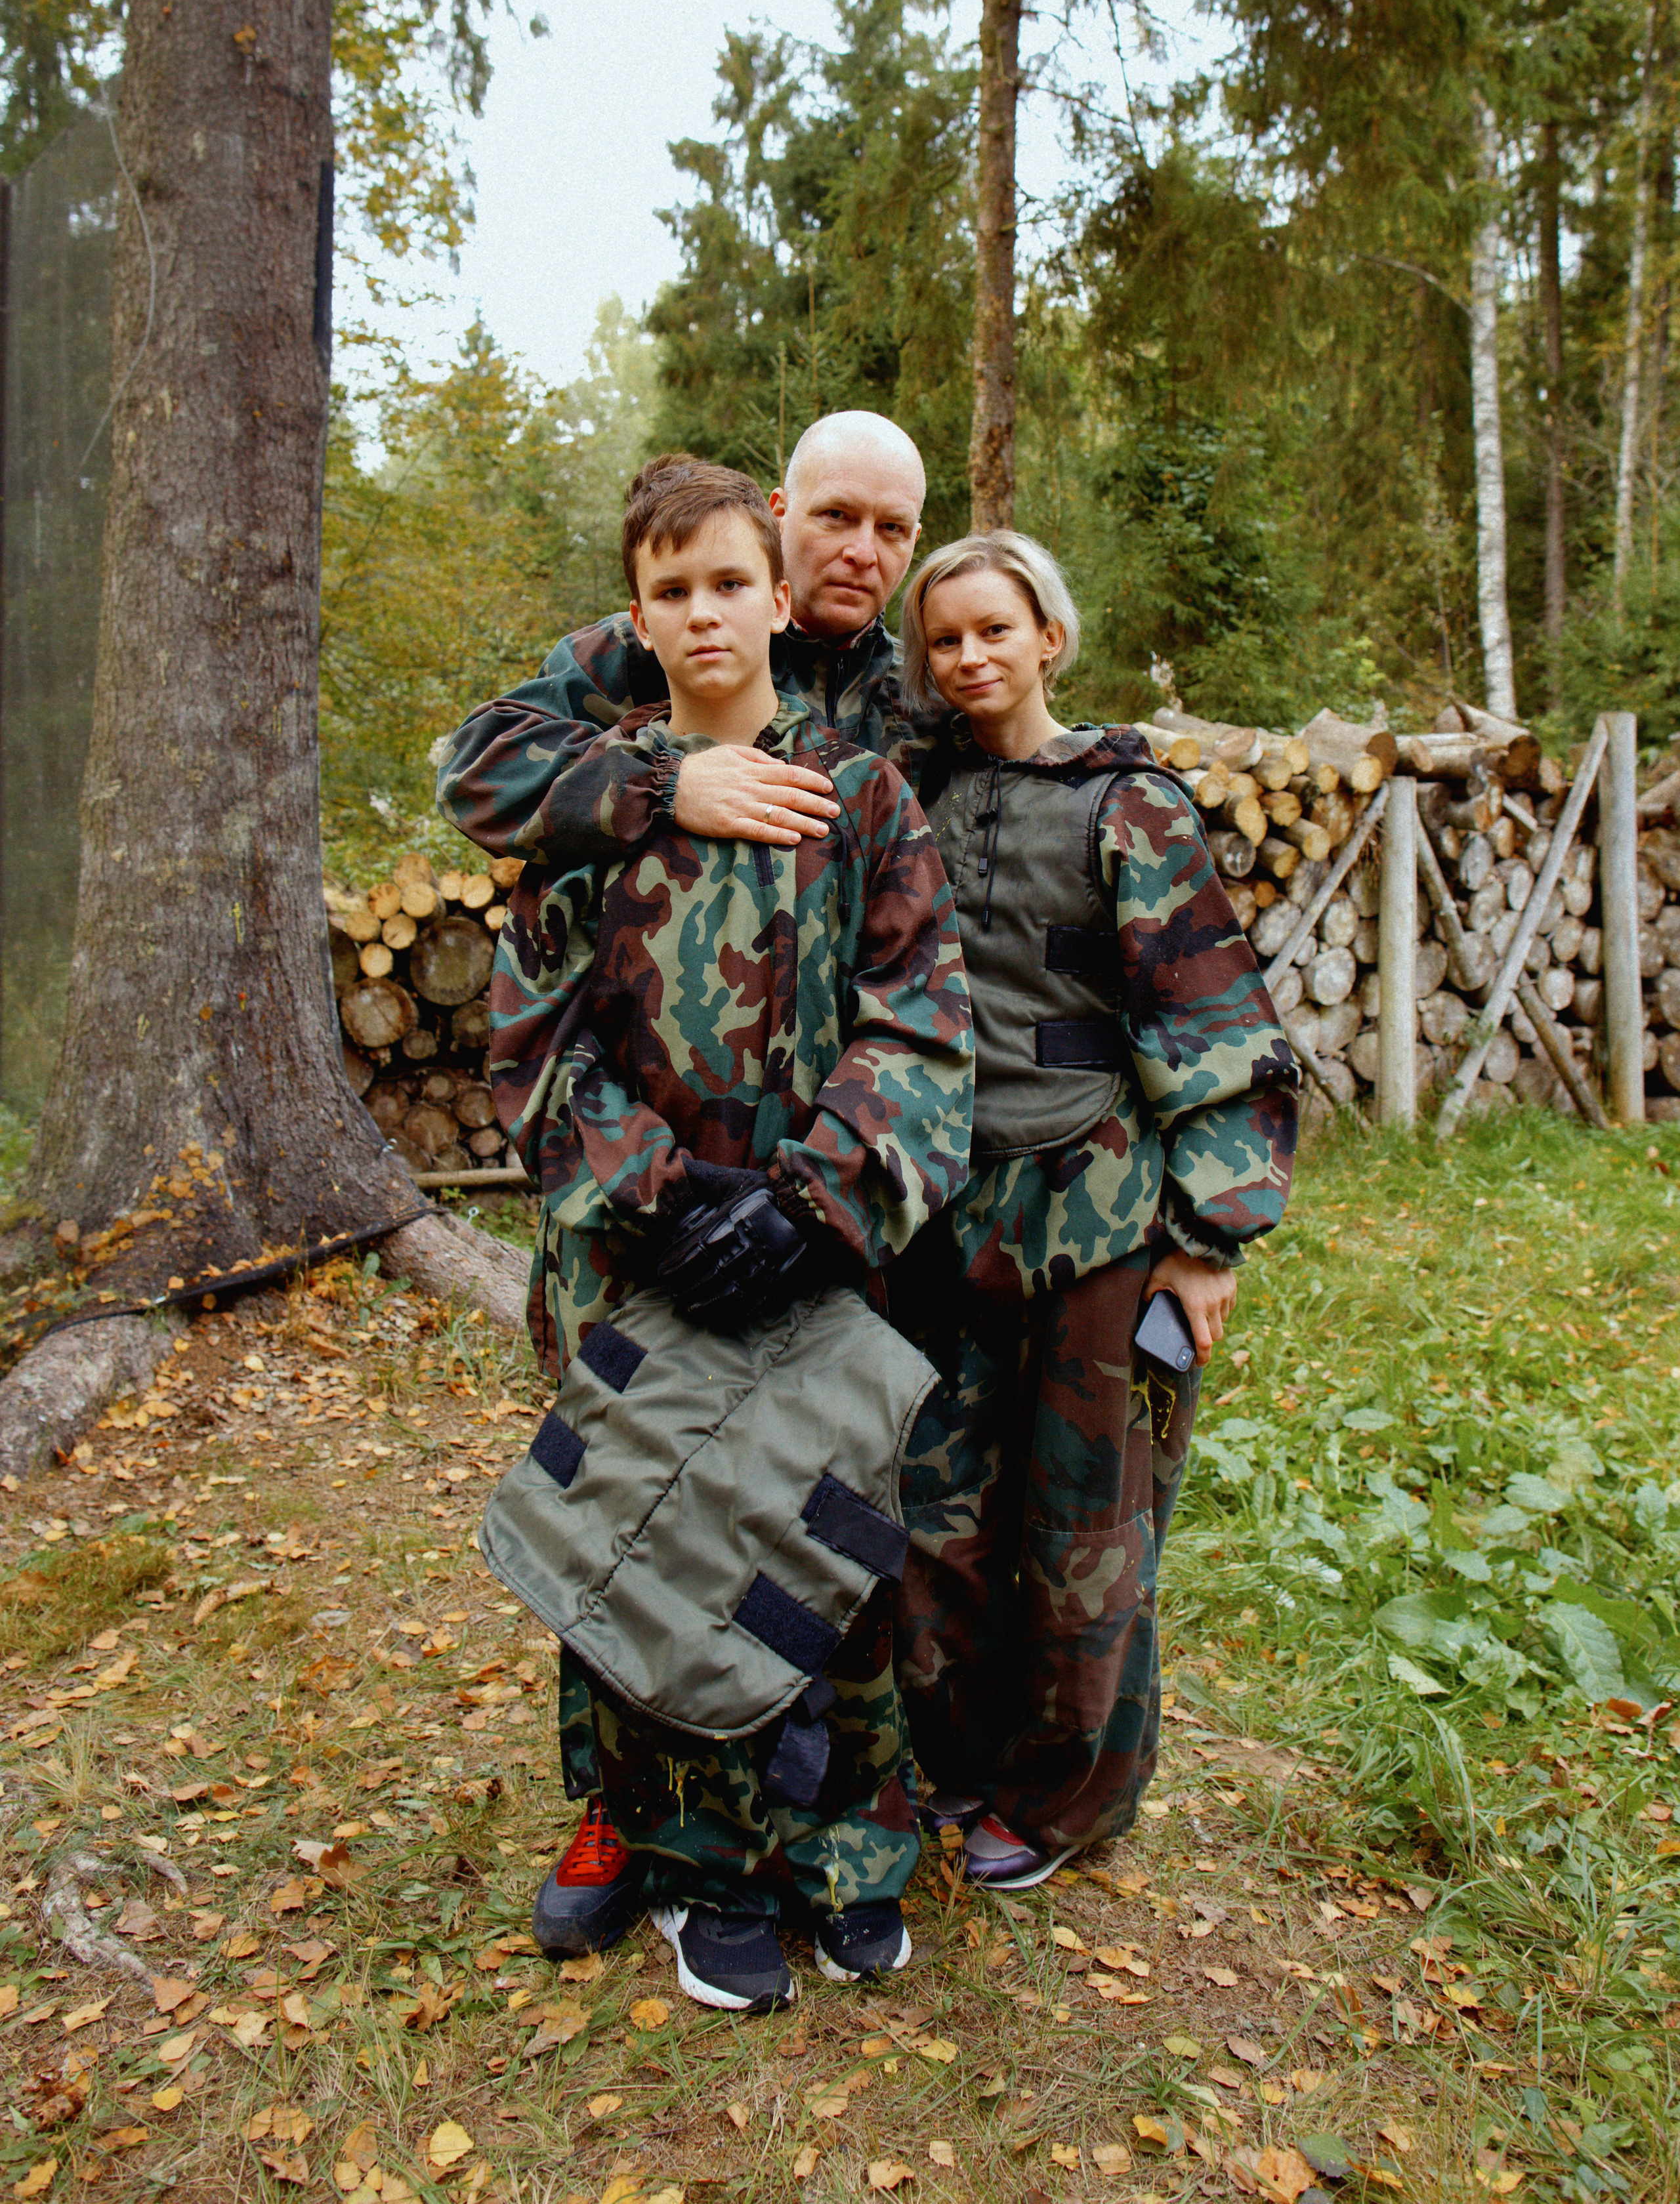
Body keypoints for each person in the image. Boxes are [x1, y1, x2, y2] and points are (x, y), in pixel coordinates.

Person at [472, 455, 973, 2012]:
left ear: (774, 597)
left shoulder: (863, 795)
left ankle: (844, 1848)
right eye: (671, 591)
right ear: (636, 614)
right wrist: (662, 1198)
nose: (704, 612)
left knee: (814, 1543)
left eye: (727, 584)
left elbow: (921, 1023)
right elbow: (529, 1044)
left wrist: (820, 1199)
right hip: (643, 1261)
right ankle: (687, 1861)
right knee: (654, 1541)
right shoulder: (594, 800)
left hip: (823, 1259)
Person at [886, 531, 1299, 1892]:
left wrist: (1205, 1240)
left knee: (1085, 1535)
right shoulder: (910, 796)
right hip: (945, 1215)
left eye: (993, 630)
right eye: (943, 639)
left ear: (1047, 637)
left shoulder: (1130, 806)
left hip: (1100, 1220)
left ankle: (1063, 1804)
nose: (969, 658)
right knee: (938, 1513)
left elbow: (1211, 1017)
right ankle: (951, 1762)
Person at [436, 409, 925, 865]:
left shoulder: (930, 690)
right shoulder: (650, 649)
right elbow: (476, 771)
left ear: (914, 540)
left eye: (891, 528)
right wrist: (665, 784)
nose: (862, 552)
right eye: (836, 516)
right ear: (781, 512)